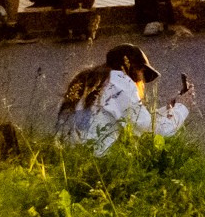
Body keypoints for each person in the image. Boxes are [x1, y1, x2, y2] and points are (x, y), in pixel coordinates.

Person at [56, 43, 190, 152]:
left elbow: (136, 120)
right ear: (137, 69)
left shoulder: (93, 80)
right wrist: (182, 107)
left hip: (69, 156)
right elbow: (155, 130)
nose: (142, 83)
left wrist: (169, 110)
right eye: (143, 74)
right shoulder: (121, 82)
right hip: (96, 162)